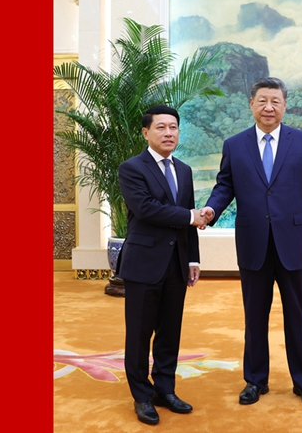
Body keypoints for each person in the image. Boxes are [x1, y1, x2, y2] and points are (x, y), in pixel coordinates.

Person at [201, 77, 302, 409]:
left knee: (298, 316)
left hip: (296, 243)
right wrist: (211, 209)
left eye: (275, 101)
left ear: (285, 105)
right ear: (251, 104)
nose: (268, 107)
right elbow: (224, 186)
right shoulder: (234, 145)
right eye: (262, 101)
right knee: (254, 316)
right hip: (253, 243)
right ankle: (255, 381)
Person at [117, 105, 209, 425]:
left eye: (173, 127)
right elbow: (146, 209)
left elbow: (189, 219)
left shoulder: (184, 170)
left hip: (177, 264)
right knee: (139, 334)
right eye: (161, 127)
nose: (169, 133)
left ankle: (164, 390)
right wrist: (190, 216)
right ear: (146, 133)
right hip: (143, 264)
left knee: (170, 332)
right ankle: (142, 396)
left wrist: (193, 258)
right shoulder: (132, 168)